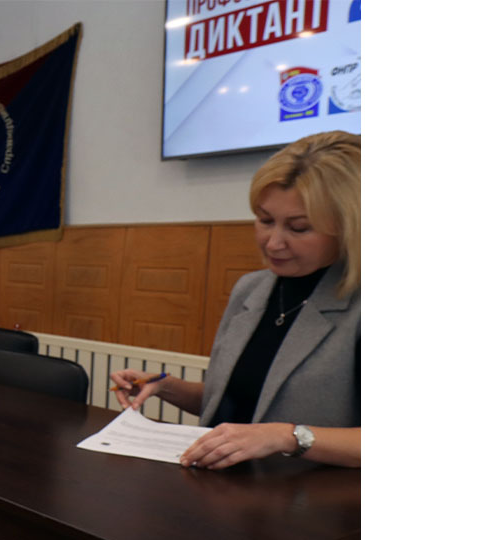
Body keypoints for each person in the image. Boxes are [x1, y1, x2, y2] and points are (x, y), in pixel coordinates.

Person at [110, 131, 360, 469]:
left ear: (349, 228)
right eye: (265, 221)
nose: (273, 243)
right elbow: (239, 400)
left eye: (299, 228)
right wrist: (165, 386)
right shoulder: (252, 289)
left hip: (312, 496)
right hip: (221, 486)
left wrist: (286, 436)